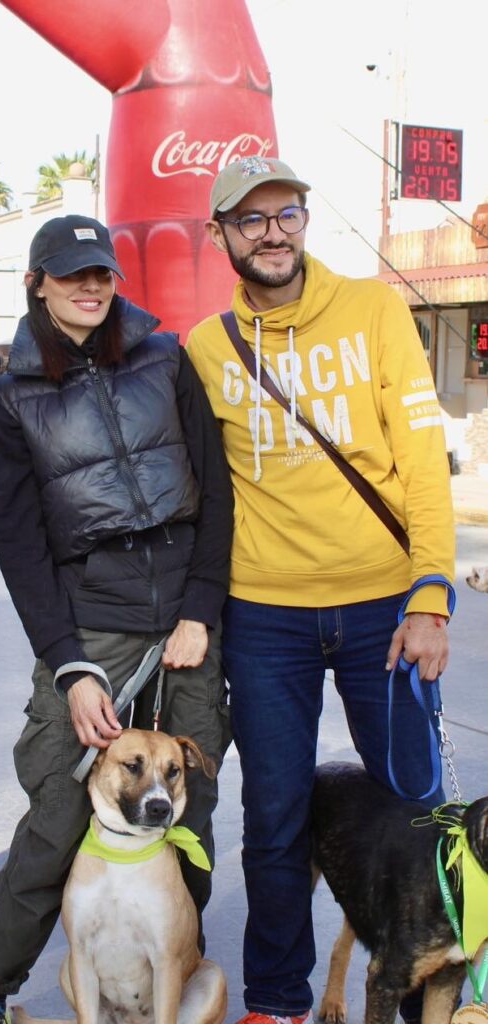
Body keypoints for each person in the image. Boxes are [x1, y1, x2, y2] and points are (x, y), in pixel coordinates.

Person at [185, 156, 456, 1024]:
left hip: (385, 606)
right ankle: (276, 1001)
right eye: (251, 219)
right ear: (221, 234)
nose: (272, 232)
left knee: (418, 813)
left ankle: (434, 997)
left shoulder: (376, 310)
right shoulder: (204, 349)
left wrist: (429, 597)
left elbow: (421, 465)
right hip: (265, 617)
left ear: (305, 220)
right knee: (274, 821)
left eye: (287, 214)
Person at [0, 214, 234, 1024]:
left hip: (184, 618)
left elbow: (215, 489)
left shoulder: (164, 356)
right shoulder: (12, 395)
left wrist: (200, 610)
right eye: (72, 273)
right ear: (37, 283)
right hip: (93, 625)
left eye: (103, 273)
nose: (90, 286)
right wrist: (70, 663)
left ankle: (167, 976)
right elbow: (16, 537)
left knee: (190, 815)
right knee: (56, 811)